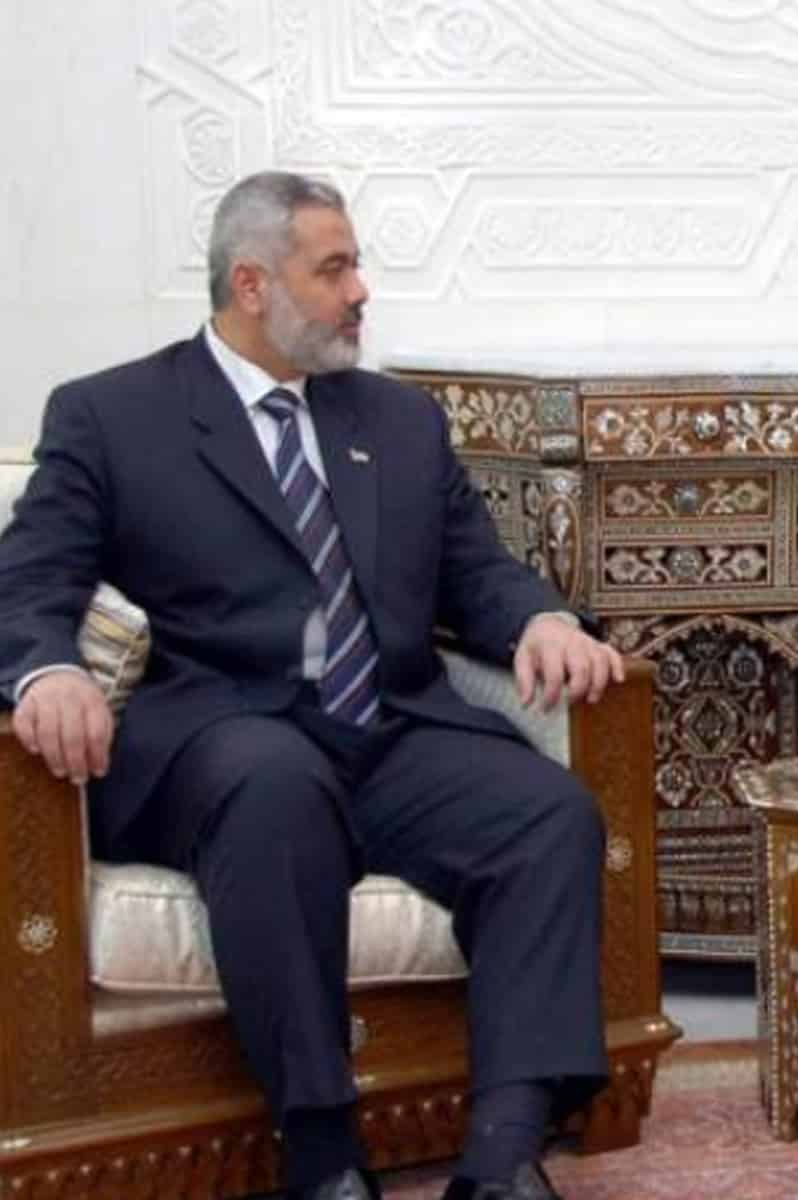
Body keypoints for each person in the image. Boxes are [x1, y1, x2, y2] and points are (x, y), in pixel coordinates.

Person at [0, 171, 624, 1200]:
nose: (359, 290)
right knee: (274, 787)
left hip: (387, 728)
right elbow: (28, 582)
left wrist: (543, 619)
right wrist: (49, 668)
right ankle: (324, 1155)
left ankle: (503, 1151)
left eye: (355, 265)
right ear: (252, 284)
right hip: (220, 735)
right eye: (333, 270)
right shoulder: (113, 415)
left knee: (547, 814)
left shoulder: (399, 420)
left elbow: (476, 571)